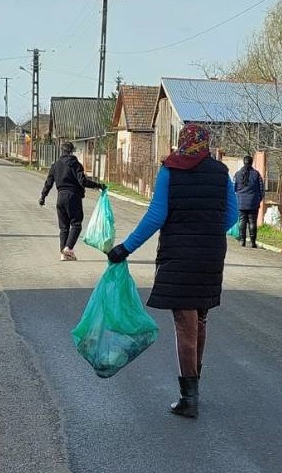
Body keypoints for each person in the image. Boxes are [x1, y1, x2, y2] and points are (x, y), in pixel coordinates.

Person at [107, 124, 238, 419]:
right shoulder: (220, 173)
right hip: (211, 254)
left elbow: (156, 215)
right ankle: (194, 388)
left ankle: (188, 397)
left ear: (182, 142)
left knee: (184, 324)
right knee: (200, 318)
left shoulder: (170, 170)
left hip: (179, 254)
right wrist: (207, 233)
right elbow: (231, 214)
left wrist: (125, 248)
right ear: (205, 144)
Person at [39, 142, 106, 261]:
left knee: (64, 227)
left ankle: (63, 253)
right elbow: (83, 182)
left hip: (60, 198)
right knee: (76, 224)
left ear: (62, 151)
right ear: (72, 151)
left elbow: (48, 183)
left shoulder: (55, 166)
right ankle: (68, 249)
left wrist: (43, 197)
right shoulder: (76, 165)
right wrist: (98, 185)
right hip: (73, 197)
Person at [233, 155, 265, 248]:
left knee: (242, 221)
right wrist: (259, 199)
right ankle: (252, 242)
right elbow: (261, 189)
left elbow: (234, 188)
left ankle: (242, 241)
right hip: (253, 201)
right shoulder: (256, 174)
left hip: (241, 201)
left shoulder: (237, 174)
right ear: (251, 162)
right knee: (252, 222)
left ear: (244, 162)